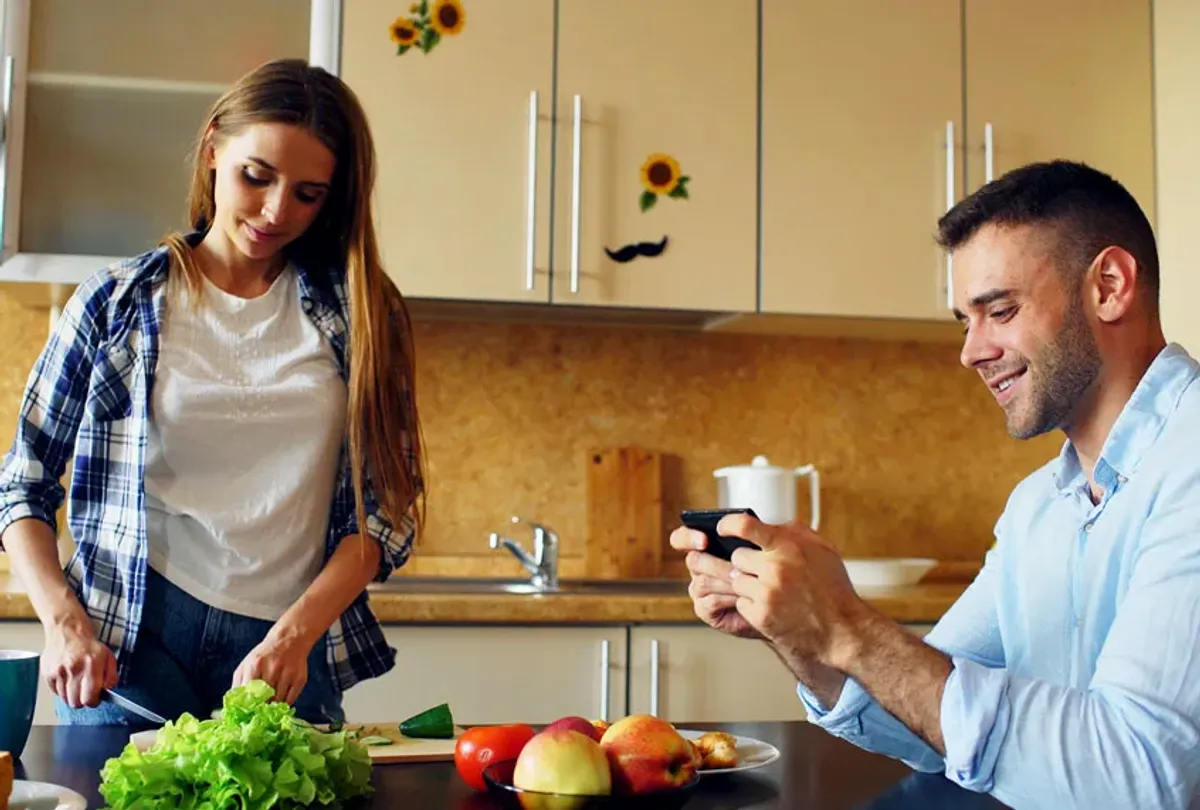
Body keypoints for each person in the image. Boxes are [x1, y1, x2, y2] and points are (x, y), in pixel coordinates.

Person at [672, 160, 1200, 809]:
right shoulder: (1039, 507)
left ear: (1110, 286)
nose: (970, 351)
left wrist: (844, 623)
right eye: (964, 321)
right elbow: (924, 714)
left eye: (999, 310)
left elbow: (1138, 781)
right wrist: (801, 632)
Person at [0, 58, 425, 725]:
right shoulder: (115, 303)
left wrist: (295, 636)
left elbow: (387, 510)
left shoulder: (363, 316)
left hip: (286, 642)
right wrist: (62, 621)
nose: (276, 211)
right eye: (256, 176)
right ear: (213, 149)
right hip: (134, 637)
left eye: (309, 194)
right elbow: (21, 483)